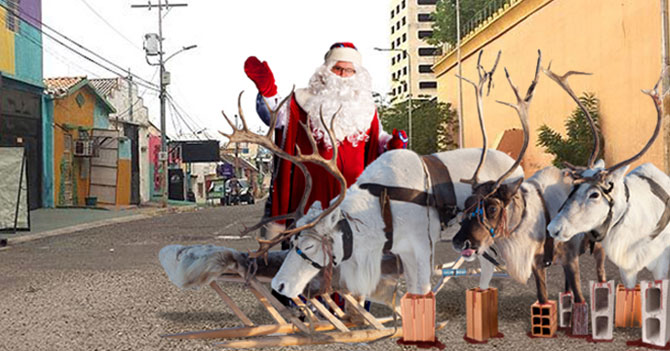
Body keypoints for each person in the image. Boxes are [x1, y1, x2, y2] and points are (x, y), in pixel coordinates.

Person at [244, 42, 407, 237]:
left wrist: (392, 143)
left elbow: (377, 139)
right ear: (326, 70)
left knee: (351, 250)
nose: (343, 75)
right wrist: (268, 91)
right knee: (306, 249)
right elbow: (276, 119)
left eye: (349, 70)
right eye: (337, 69)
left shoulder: (366, 107)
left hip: (353, 194)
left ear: (357, 75)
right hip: (309, 194)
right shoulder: (302, 100)